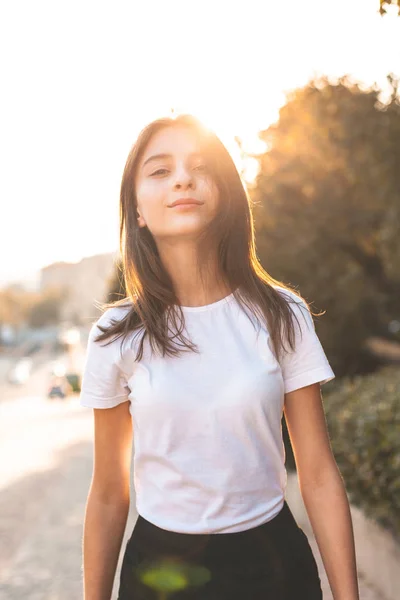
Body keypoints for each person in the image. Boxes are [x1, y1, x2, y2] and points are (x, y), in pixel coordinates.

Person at [79, 114, 360, 600]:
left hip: (273, 567)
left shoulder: (281, 314)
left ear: (227, 194)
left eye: (201, 166)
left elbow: (316, 473)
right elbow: (108, 490)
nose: (183, 178)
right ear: (138, 210)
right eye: (160, 171)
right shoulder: (115, 337)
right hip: (159, 575)